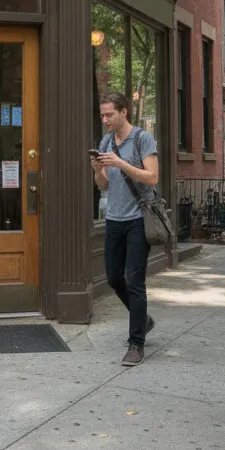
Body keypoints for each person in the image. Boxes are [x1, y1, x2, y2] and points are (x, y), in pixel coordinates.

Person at [91, 92, 159, 366]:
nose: (105, 120)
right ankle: (143, 319)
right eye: (102, 115)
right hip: (114, 219)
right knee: (113, 278)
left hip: (138, 220)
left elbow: (152, 177)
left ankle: (136, 343)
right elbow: (103, 185)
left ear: (123, 112)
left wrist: (120, 163)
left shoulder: (142, 138)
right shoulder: (106, 141)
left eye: (109, 114)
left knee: (134, 281)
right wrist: (97, 169)